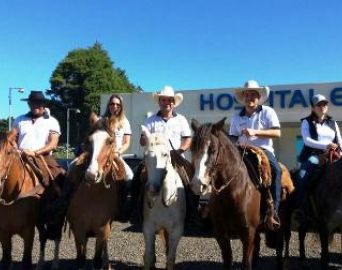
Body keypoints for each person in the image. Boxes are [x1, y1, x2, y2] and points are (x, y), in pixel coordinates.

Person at [133, 86, 197, 226]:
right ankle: (135, 211)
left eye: (170, 100)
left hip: (175, 156)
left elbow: (188, 139)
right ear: (159, 102)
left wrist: (180, 150)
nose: (167, 102)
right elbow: (142, 141)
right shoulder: (150, 120)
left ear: (174, 103)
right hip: (155, 158)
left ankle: (193, 213)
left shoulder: (181, 120)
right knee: (139, 176)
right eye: (163, 100)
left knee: (188, 180)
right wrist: (145, 139)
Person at [229, 80, 282, 230]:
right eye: (247, 94)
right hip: (242, 150)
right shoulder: (236, 116)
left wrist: (255, 132)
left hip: (263, 150)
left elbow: (277, 132)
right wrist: (233, 143)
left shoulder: (268, 112)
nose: (249, 97)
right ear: (243, 97)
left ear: (258, 97)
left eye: (253, 94)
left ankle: (274, 212)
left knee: (276, 170)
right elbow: (233, 136)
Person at [296, 94, 342, 213]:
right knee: (302, 176)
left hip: (332, 154)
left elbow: (339, 140)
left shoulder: (333, 122)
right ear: (313, 108)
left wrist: (341, 152)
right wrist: (326, 145)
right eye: (319, 105)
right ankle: (302, 208)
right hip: (313, 155)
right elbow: (307, 141)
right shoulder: (306, 122)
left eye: (324, 105)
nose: (322, 107)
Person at [10, 91, 65, 184]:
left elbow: (53, 144)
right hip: (20, 156)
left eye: (38, 103)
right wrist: (16, 149)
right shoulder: (19, 120)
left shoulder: (52, 121)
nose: (35, 105)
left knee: (60, 177)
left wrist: (34, 153)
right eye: (32, 103)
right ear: (28, 104)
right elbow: (12, 138)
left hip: (43, 157)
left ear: (43, 104)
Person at [102, 94, 133, 182]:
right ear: (109, 105)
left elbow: (127, 142)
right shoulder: (101, 120)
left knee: (130, 176)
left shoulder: (125, 122)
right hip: (102, 154)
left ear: (121, 107)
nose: (114, 106)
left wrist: (118, 152)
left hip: (116, 155)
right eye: (112, 104)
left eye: (118, 104)